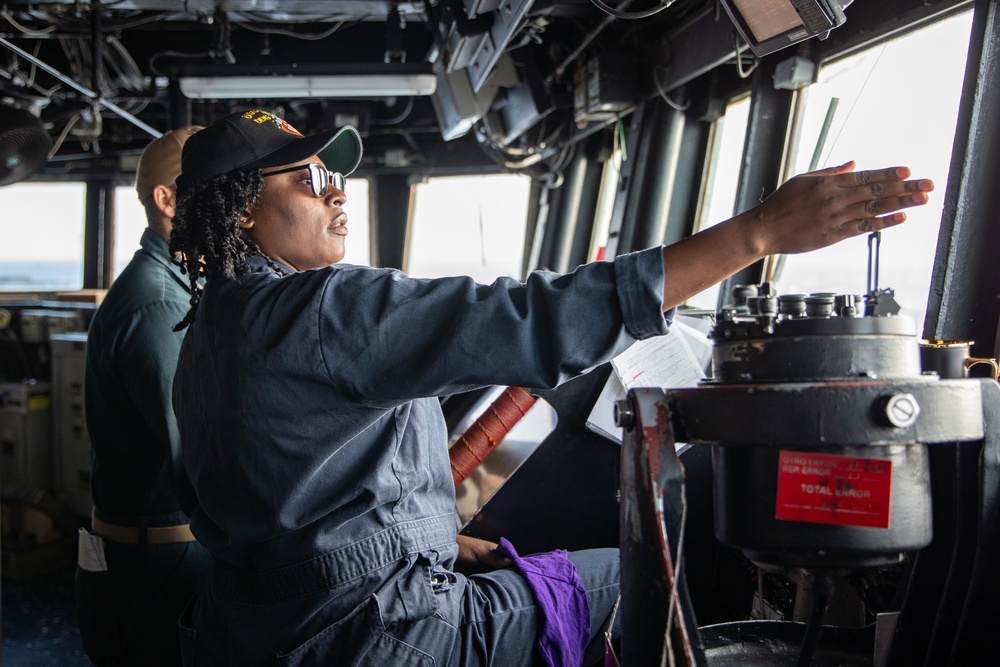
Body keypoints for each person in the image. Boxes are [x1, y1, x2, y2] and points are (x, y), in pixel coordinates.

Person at [168, 109, 933, 666]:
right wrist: (759, 233)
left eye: (337, 177)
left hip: (253, 625)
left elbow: (263, 504)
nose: (339, 194)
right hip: (378, 636)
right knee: (639, 579)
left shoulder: (206, 332)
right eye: (311, 179)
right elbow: (537, 319)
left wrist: (443, 544)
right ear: (240, 208)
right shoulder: (321, 306)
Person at [77, 125, 212, 667]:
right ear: (167, 199)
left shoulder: (180, 288)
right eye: (215, 186)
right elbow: (198, 459)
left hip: (167, 552)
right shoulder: (158, 305)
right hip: (159, 563)